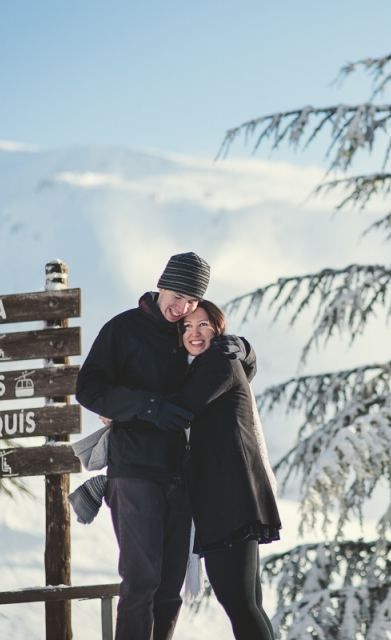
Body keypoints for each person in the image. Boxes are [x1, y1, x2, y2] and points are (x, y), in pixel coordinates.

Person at [75, 252, 255, 640]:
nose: (183, 307)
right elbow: (88, 389)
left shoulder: (186, 331)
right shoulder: (123, 329)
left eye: (192, 302)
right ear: (161, 285)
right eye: (178, 295)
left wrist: (245, 349)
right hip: (136, 470)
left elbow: (227, 372)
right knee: (142, 580)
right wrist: (149, 407)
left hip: (182, 477)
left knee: (170, 586)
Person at [171, 300, 280, 640]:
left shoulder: (218, 361)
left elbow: (180, 409)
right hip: (228, 498)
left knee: (240, 604)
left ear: (218, 329)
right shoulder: (203, 367)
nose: (194, 333)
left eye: (202, 324)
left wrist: (122, 410)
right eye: (187, 327)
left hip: (229, 500)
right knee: (249, 604)